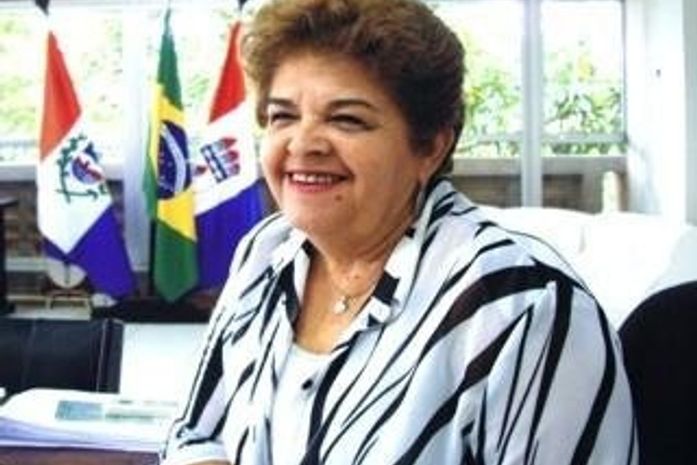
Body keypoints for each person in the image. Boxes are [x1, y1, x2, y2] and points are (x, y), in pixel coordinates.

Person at [161, 0, 637, 463]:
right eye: (283, 116)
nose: (303, 143)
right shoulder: (265, 253)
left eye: (346, 119)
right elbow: (194, 433)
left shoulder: (524, 303)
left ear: (430, 147)